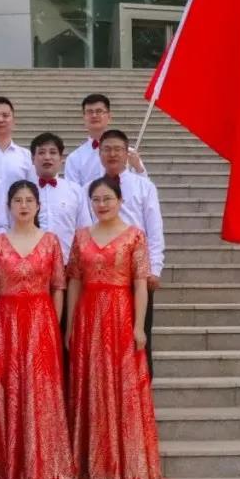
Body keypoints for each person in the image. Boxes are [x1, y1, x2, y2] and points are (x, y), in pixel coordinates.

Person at [66, 176, 166, 479]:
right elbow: (75, 281)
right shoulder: (81, 236)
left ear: (120, 201)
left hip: (120, 315)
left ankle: (124, 463)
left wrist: (139, 326)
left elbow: (140, 284)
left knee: (121, 386)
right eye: (96, 199)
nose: (101, 204)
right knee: (91, 384)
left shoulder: (135, 236)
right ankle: (92, 462)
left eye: (107, 198)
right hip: (88, 316)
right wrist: (70, 324)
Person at [0, 181, 73, 479]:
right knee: (9, 389)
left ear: (38, 206)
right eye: (17, 200)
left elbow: (59, 286)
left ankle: (44, 465)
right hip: (6, 322)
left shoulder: (50, 241)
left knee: (40, 390)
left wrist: (53, 324)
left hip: (40, 320)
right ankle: (10, 464)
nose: (23, 205)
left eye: (29, 200)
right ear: (9, 206)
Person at [90, 129, 165, 377]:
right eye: (107, 149)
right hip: (102, 275)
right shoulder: (90, 189)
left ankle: (142, 391)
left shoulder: (144, 186)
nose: (112, 154)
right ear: (99, 154)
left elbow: (154, 229)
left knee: (140, 335)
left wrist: (155, 268)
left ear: (127, 153)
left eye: (117, 149)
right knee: (105, 339)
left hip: (137, 271)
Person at [27, 132, 92, 259]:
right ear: (33, 159)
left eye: (52, 152)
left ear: (61, 158)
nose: (47, 157)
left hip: (66, 262)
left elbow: (84, 231)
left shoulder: (75, 191)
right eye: (41, 153)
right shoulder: (23, 192)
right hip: (32, 263)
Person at [64, 95, 148, 185]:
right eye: (89, 112)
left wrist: (138, 168)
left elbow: (145, 187)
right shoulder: (74, 158)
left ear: (109, 117)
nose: (94, 115)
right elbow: (72, 192)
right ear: (84, 117)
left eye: (99, 111)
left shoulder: (129, 154)